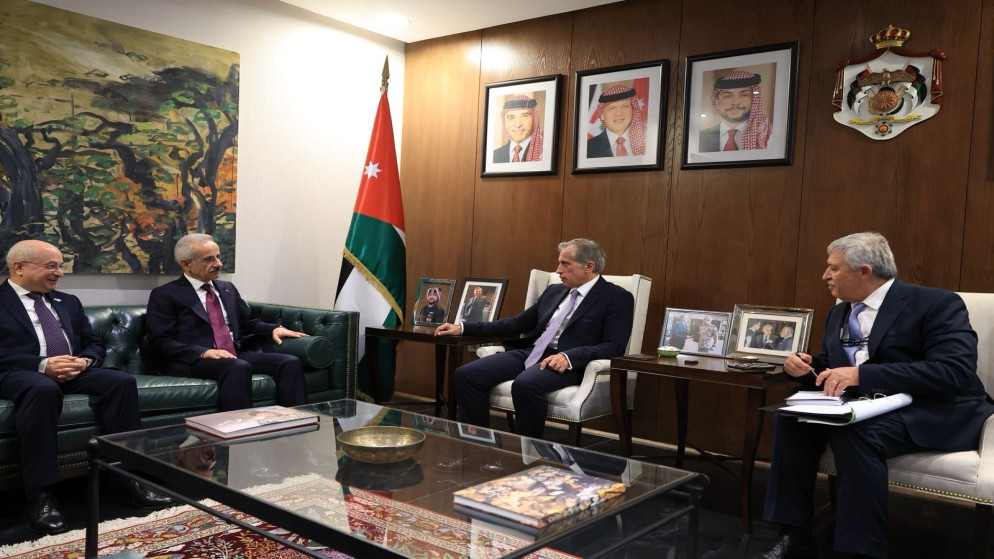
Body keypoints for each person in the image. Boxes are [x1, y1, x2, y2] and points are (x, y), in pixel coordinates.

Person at [752, 232, 994, 559]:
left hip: (932, 408)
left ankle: (859, 551)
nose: (825, 275)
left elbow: (954, 371)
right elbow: (837, 363)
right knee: (791, 419)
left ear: (864, 271)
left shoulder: (936, 303)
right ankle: (794, 535)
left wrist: (862, 375)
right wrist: (806, 365)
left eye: (833, 268)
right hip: (867, 403)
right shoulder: (840, 312)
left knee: (856, 431)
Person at [0, 240, 172, 535]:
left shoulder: (67, 301)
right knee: (43, 389)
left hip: (72, 369)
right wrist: (42, 364)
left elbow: (93, 343)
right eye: (51, 266)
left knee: (120, 382)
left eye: (60, 266)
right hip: (18, 373)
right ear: (18, 267)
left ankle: (123, 477)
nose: (60, 273)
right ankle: (40, 496)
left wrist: (84, 361)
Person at [435, 238, 633, 439]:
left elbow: (614, 346)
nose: (558, 270)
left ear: (588, 266)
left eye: (565, 264)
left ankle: (527, 450)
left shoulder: (616, 297)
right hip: (533, 351)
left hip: (569, 363)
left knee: (526, 384)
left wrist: (569, 357)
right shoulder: (555, 290)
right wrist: (463, 327)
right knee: (466, 375)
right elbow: (517, 323)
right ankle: (476, 443)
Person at [146, 233, 307, 412]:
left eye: (218, 257)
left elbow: (248, 321)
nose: (218, 263)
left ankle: (296, 421)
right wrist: (204, 352)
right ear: (186, 264)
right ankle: (239, 426)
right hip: (196, 360)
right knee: (237, 367)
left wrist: (273, 329)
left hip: (233, 353)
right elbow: (160, 341)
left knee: (289, 362)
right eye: (209, 259)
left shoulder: (227, 288)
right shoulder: (166, 294)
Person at [699, 70, 773, 153]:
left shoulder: (769, 135)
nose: (735, 102)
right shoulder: (699, 138)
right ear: (717, 103)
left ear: (754, 100)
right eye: (727, 96)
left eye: (744, 95)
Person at [586, 85, 646, 158]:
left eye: (625, 106)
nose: (619, 113)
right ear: (602, 115)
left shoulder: (648, 142)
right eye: (612, 108)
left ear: (633, 110)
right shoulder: (588, 148)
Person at [492, 94, 544, 163]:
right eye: (511, 118)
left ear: (534, 119)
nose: (518, 124)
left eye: (524, 116)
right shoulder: (495, 156)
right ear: (504, 122)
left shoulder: (544, 152)